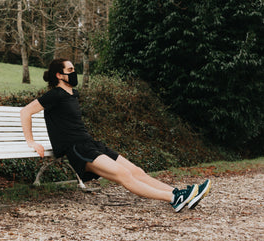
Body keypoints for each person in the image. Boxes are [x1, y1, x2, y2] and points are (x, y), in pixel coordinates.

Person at [20, 58, 211, 212]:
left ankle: (180, 193)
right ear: (59, 75)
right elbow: (25, 111)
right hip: (77, 148)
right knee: (123, 175)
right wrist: (31, 141)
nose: (74, 72)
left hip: (90, 143)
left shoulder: (72, 94)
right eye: (70, 70)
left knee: (136, 171)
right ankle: (174, 198)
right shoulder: (55, 95)